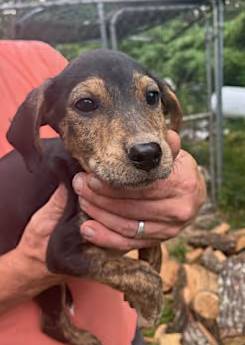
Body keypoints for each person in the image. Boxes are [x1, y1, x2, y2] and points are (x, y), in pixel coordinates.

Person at [0, 40, 206, 345]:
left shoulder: (37, 56)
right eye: (87, 105)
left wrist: (187, 185)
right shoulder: (49, 107)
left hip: (120, 331)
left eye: (150, 97)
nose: (142, 140)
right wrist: (27, 266)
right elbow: (61, 251)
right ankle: (60, 324)